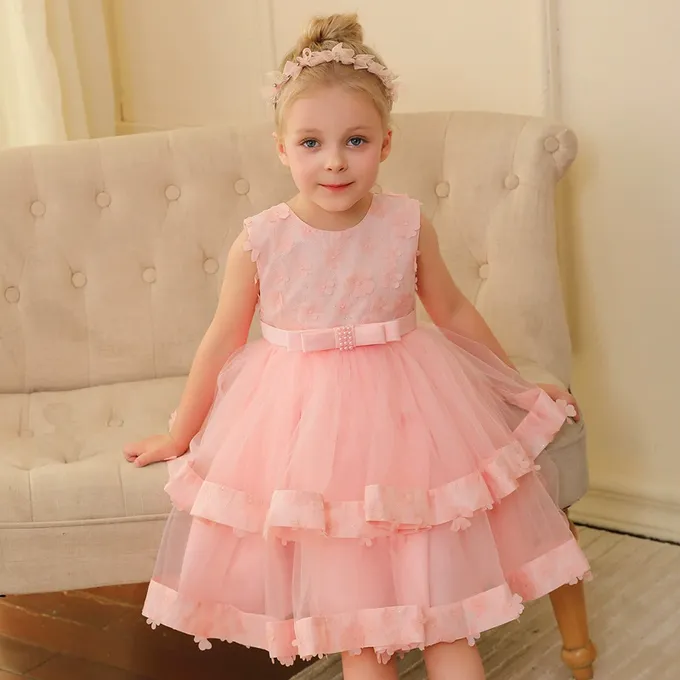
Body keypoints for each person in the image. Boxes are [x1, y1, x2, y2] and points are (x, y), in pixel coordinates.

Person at [124, 13, 590, 680]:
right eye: (311, 142)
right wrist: (181, 433)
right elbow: (223, 339)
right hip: (308, 437)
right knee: (360, 634)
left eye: (356, 140)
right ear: (281, 148)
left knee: (446, 615)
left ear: (386, 142)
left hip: (413, 420)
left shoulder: (406, 222)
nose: (335, 160)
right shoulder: (260, 240)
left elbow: (453, 310)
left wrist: (514, 387)